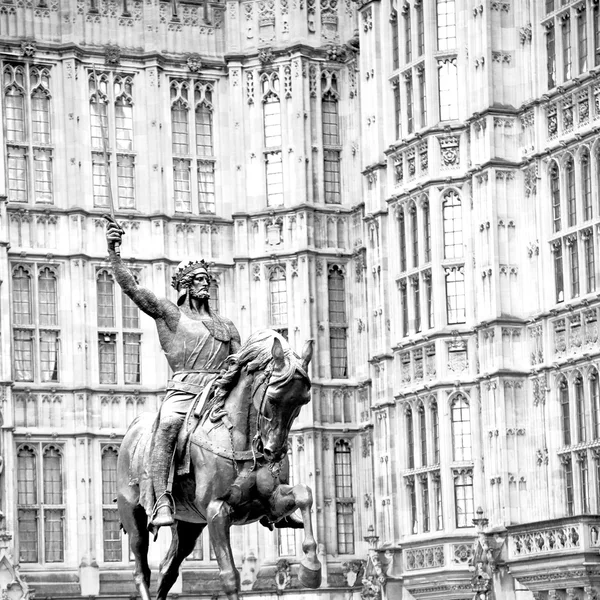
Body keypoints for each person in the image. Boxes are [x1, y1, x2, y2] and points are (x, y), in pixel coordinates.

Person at [105, 218, 241, 528]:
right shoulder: (170, 314)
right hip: (184, 393)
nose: (205, 285)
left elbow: (239, 362)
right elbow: (133, 288)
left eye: (207, 280)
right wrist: (114, 252)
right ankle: (162, 500)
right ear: (185, 286)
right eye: (198, 280)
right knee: (166, 427)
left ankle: (268, 496)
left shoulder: (226, 325)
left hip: (217, 395)